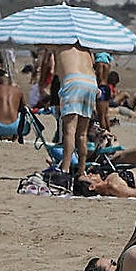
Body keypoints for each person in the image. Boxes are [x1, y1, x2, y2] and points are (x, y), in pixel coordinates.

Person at [51, 43, 97, 180]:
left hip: (73, 81)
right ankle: (82, 171)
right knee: (82, 134)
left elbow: (56, 71)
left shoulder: (60, 47)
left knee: (69, 131)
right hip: (91, 83)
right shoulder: (86, 50)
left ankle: (65, 169)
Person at [0, 73, 27, 142]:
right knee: (22, 115)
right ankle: (14, 135)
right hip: (16, 127)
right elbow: (24, 108)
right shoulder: (18, 91)